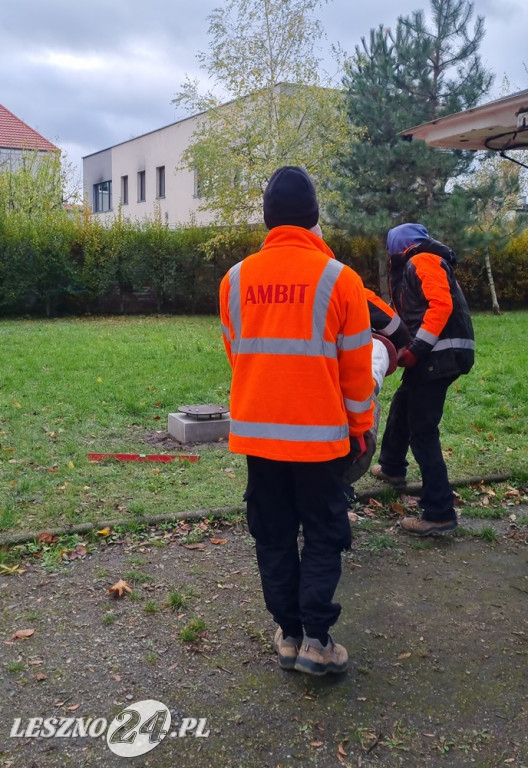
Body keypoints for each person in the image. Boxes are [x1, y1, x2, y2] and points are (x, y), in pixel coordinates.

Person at [219, 166, 375, 676]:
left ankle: (287, 635)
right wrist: (361, 430)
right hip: (322, 441)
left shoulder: (235, 280)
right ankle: (317, 641)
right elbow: (356, 374)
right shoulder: (341, 280)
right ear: (314, 219)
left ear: (267, 220)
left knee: (273, 533)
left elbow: (238, 356)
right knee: (325, 534)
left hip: (258, 438)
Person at [371, 223, 475, 535]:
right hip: (437, 355)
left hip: (438, 355)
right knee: (404, 402)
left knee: (422, 430)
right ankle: (391, 468)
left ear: (398, 245)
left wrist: (416, 349)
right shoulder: (410, 269)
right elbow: (404, 314)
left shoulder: (423, 260)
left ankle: (440, 513)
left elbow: (440, 305)